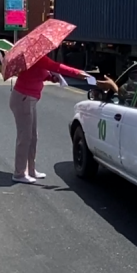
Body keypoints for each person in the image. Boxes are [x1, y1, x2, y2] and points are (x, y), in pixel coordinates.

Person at [10, 54, 88, 184]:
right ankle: (19, 173)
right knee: (25, 137)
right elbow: (56, 66)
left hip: (29, 100)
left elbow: (39, 73)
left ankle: (31, 170)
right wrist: (77, 73)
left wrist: (51, 77)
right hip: (23, 99)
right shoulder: (37, 58)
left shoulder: (36, 59)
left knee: (33, 136)